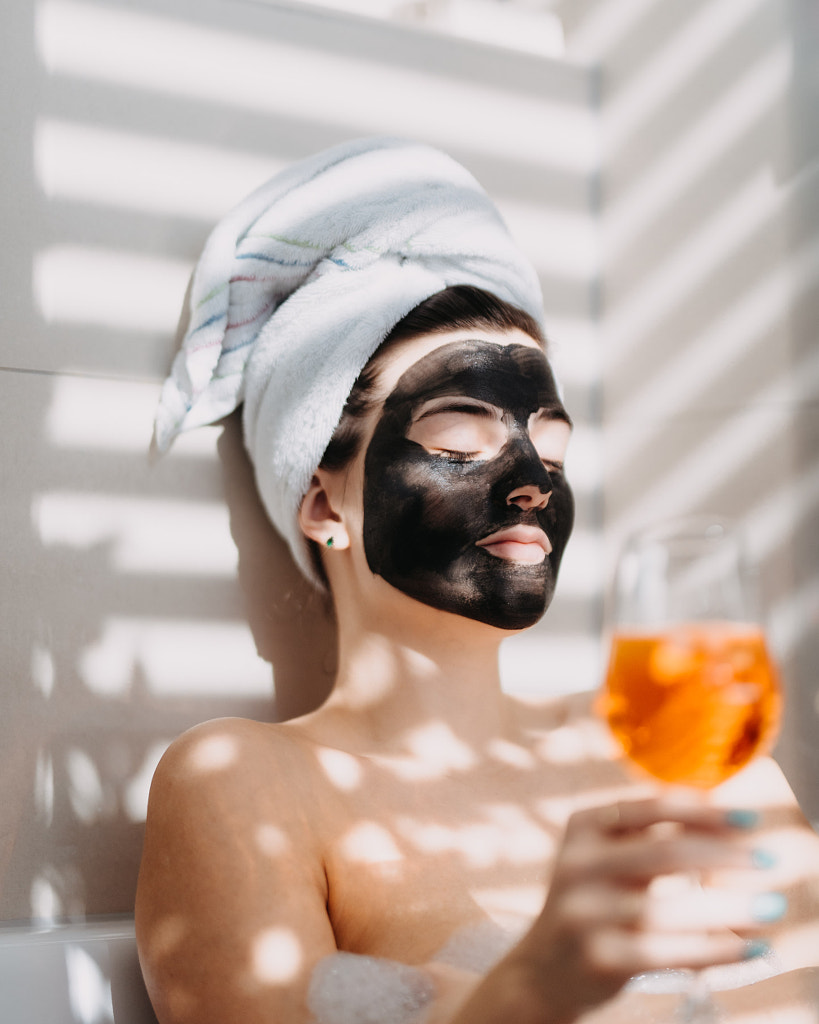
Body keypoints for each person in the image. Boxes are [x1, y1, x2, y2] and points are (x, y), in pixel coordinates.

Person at [136, 138, 819, 1024]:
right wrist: (531, 989)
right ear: (321, 502)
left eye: (552, 443)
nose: (531, 477)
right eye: (460, 440)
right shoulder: (245, 780)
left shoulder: (676, 746)